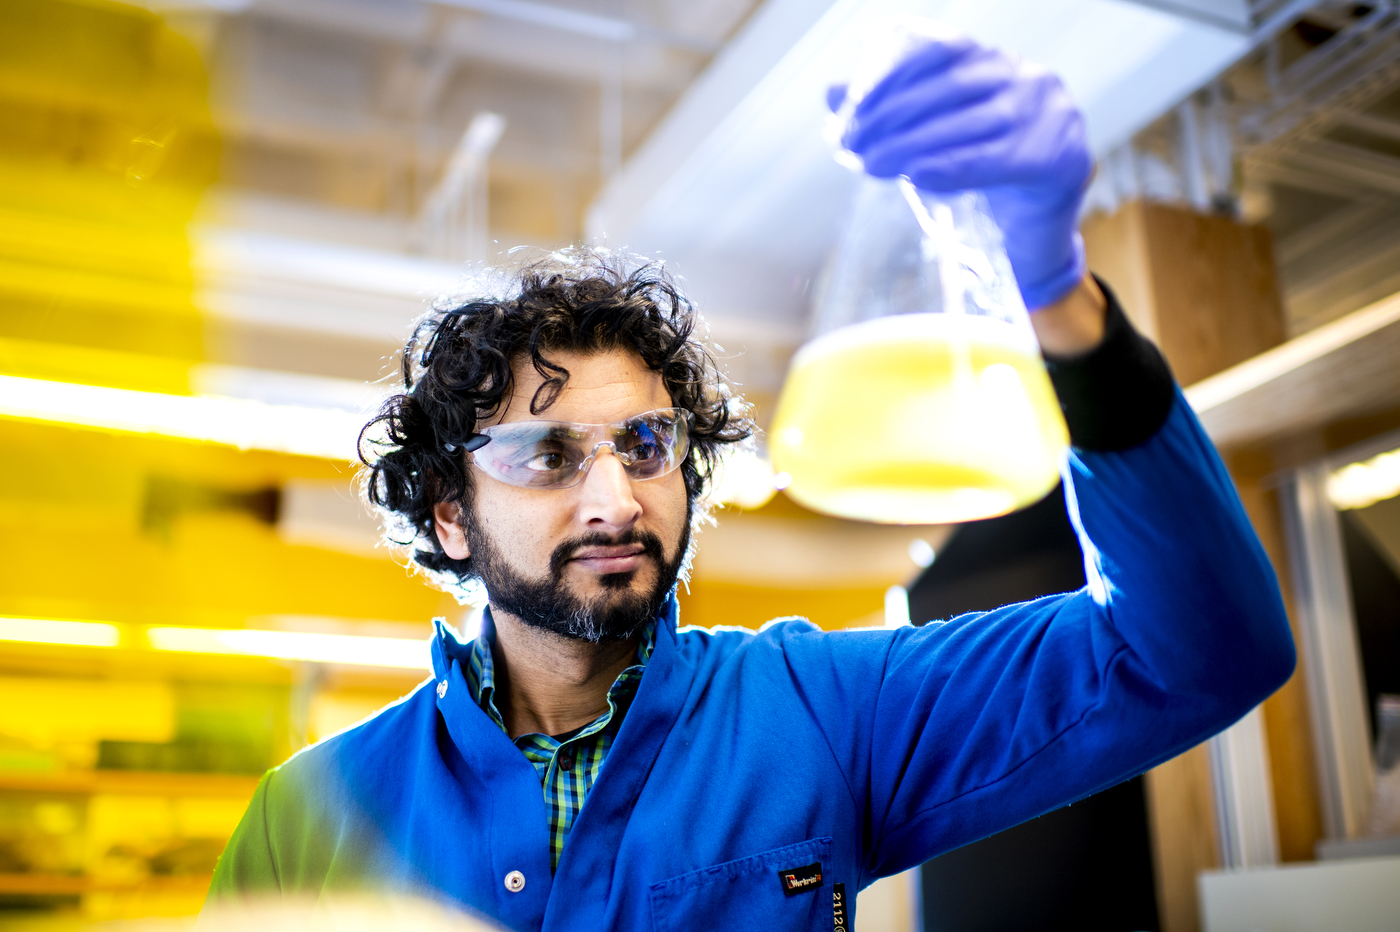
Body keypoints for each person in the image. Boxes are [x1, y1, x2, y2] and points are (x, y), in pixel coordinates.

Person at [204, 35, 1295, 932]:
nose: (615, 498)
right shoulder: (306, 816)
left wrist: (1053, 291)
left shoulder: (821, 713)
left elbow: (1198, 647)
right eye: (546, 454)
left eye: (643, 443)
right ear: (450, 511)